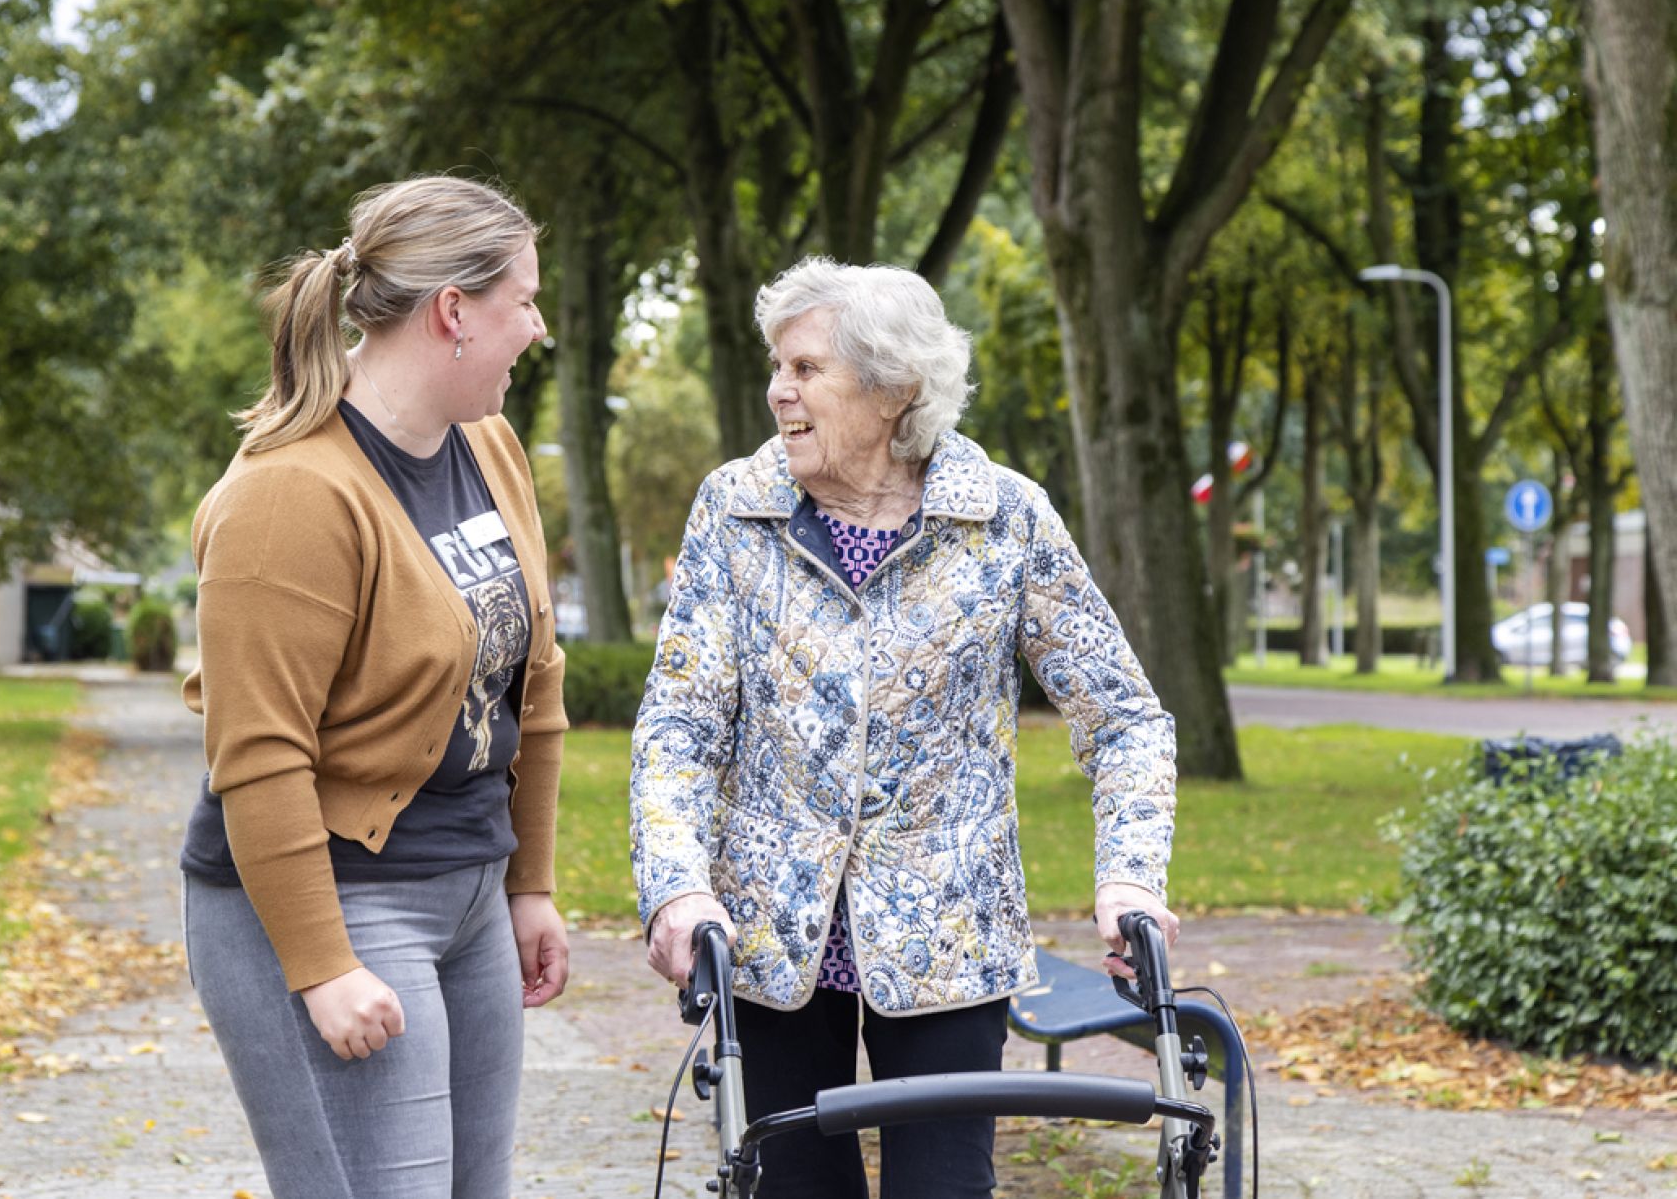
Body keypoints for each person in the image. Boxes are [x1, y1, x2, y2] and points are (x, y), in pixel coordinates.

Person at [629, 257, 1179, 1199]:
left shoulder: (1003, 517)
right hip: (767, 934)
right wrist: (676, 888)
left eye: (806, 369)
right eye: (777, 367)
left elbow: (1125, 715)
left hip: (949, 932)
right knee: (793, 1187)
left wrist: (1129, 873)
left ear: (893, 391)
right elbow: (679, 724)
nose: (778, 391)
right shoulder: (736, 508)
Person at [177, 176, 569, 1199]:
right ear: (454, 311)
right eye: (524, 302)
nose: (538, 329)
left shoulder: (489, 446)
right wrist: (321, 966)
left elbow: (536, 686)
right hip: (338, 900)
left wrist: (529, 883)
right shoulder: (289, 493)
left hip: (469, 888)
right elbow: (258, 754)